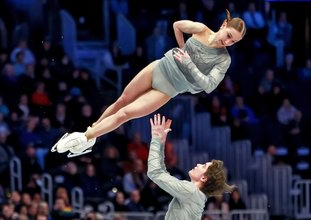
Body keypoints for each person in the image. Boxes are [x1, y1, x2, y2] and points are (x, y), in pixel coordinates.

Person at [52, 11, 246, 157]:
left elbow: (209, 86)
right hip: (160, 66)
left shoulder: (224, 59)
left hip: (169, 88)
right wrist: (181, 47)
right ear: (223, 25)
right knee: (122, 100)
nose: (228, 42)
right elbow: (177, 25)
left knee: (125, 114)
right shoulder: (202, 29)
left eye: (233, 42)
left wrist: (189, 63)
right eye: (229, 35)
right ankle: (90, 135)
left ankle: (84, 138)